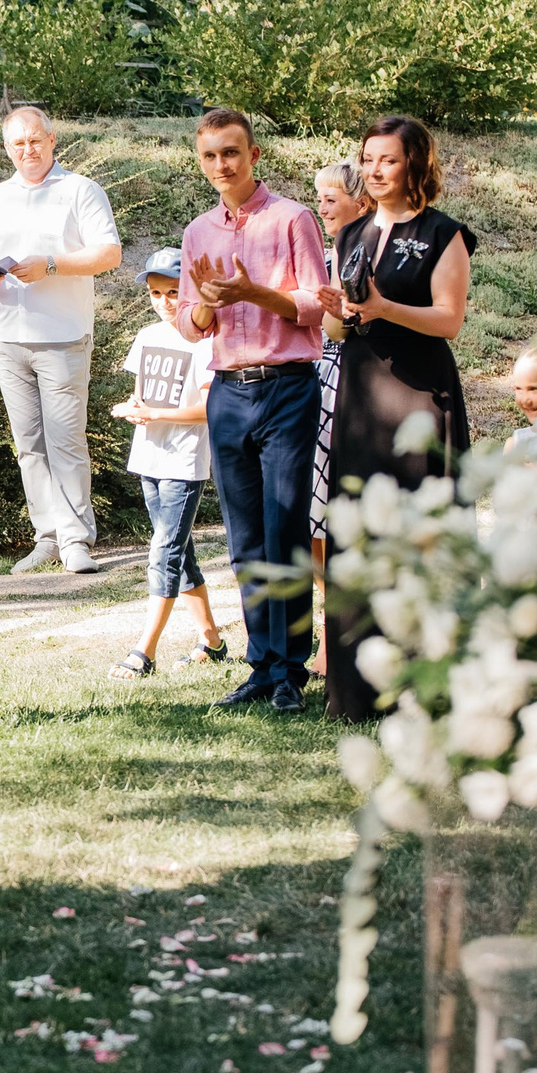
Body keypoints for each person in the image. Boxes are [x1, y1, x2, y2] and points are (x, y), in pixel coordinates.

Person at [317, 115, 476, 722]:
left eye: (387, 159)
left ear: (415, 165)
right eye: (367, 159)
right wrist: (339, 311)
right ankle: (356, 694)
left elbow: (448, 320)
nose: (374, 169)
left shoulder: (443, 233)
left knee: (423, 533)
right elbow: (338, 326)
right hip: (361, 395)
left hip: (418, 394)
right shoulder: (350, 233)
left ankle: (433, 687)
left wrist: (384, 307)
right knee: (357, 532)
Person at [175, 108, 327, 714]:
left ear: (254, 154)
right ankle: (261, 665)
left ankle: (291, 669)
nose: (222, 166)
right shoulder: (197, 234)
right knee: (243, 539)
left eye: (232, 153)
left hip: (286, 385)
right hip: (228, 393)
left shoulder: (293, 218)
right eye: (211, 155)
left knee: (284, 529)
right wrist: (211, 303)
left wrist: (252, 293)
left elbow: (316, 303)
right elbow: (189, 324)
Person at [0, 107, 122, 575]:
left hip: (63, 335)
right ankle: (46, 538)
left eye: (35, 140)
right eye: (17, 144)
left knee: (65, 441)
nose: (27, 150)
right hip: (8, 338)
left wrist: (50, 264)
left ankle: (76, 542)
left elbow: (109, 253)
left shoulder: (80, 190)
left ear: (52, 139)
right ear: (6, 148)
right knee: (28, 444)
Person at [106, 249, 224, 679]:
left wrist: (157, 415)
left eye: (174, 292)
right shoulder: (145, 336)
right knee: (178, 548)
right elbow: (145, 397)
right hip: (148, 456)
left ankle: (145, 650)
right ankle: (211, 640)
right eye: (156, 293)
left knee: (164, 551)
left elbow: (210, 409)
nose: (164, 302)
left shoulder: (208, 340)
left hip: (184, 460)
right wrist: (137, 409)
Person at [308, 160, 373, 593]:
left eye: (331, 200)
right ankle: (331, 614)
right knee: (311, 515)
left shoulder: (370, 255)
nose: (322, 208)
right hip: (315, 378)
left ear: (362, 204)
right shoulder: (325, 257)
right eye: (319, 199)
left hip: (357, 383)